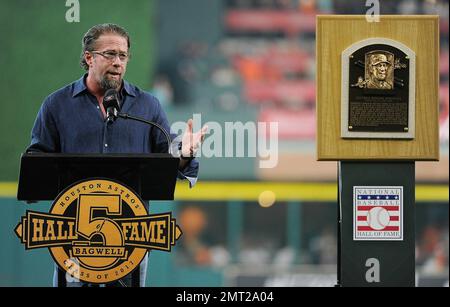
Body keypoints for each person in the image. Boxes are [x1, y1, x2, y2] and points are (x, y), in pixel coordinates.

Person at [27, 23, 208, 287]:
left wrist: (185, 152)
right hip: (75, 238)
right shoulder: (56, 104)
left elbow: (168, 159)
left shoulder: (148, 105)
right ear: (89, 57)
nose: (117, 62)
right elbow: (37, 161)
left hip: (130, 239)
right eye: (109, 54)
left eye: (123, 56)